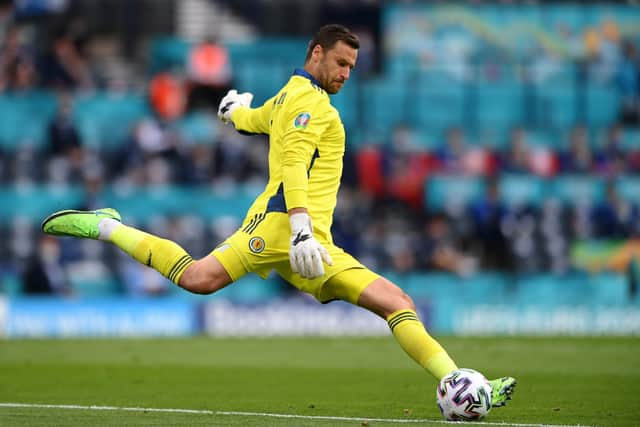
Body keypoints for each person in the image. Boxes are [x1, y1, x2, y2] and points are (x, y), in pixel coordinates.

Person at [41, 24, 515, 407]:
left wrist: (235, 111)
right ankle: (107, 225)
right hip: (282, 229)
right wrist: (301, 230)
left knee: (394, 302)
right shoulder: (309, 105)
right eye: (340, 62)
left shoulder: (292, 97)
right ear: (316, 53)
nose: (347, 72)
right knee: (202, 279)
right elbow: (292, 164)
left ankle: (463, 386)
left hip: (310, 239)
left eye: (352, 65)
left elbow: (259, 119)